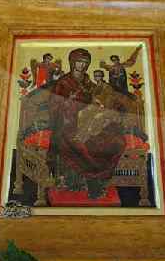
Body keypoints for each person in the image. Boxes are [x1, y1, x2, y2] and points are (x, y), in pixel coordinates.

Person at [47, 48, 125, 199]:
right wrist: (69, 103)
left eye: (85, 62)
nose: (82, 65)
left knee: (112, 138)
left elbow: (95, 97)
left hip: (89, 119)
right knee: (84, 144)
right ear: (72, 62)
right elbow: (54, 106)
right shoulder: (63, 83)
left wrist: (98, 102)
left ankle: (97, 179)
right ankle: (92, 182)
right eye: (79, 62)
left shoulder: (87, 81)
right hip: (67, 124)